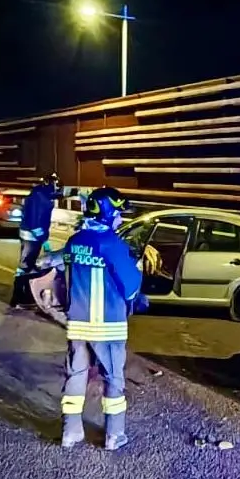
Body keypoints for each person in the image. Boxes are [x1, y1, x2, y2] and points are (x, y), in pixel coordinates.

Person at [60, 187, 144, 450]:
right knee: (113, 379)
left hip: (78, 324)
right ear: (109, 213)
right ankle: (114, 435)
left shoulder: (74, 241)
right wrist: (138, 269)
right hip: (107, 327)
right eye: (118, 213)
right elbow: (131, 287)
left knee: (75, 375)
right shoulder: (113, 244)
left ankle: (70, 432)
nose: (120, 219)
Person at [11, 173, 61, 308]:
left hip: (29, 235)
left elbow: (59, 194)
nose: (57, 186)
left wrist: (79, 193)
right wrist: (43, 239)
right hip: (31, 237)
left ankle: (22, 296)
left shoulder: (40, 192)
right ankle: (19, 298)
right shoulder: (41, 197)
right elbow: (35, 222)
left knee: (27, 265)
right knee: (26, 266)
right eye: (55, 183)